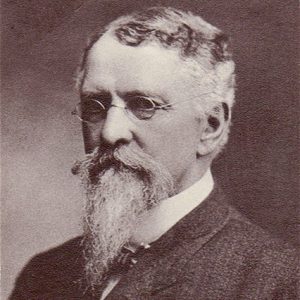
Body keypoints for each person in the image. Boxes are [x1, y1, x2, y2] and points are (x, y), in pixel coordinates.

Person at [10, 6, 298, 300]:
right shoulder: (43, 275)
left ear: (210, 127)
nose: (111, 133)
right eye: (95, 105)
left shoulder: (278, 283)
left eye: (144, 105)